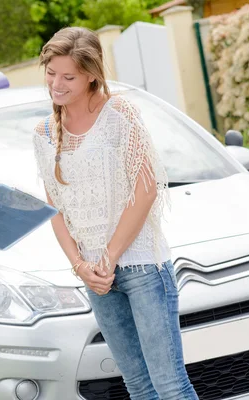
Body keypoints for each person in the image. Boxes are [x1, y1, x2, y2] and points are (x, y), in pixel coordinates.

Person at [32, 27, 199, 400]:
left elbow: (146, 190)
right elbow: (54, 208)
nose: (56, 84)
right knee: (137, 387)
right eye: (51, 73)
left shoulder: (118, 112)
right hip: (95, 277)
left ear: (91, 74)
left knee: (170, 385)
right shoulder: (43, 133)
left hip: (142, 267)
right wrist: (81, 265)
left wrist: (108, 257)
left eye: (68, 76)